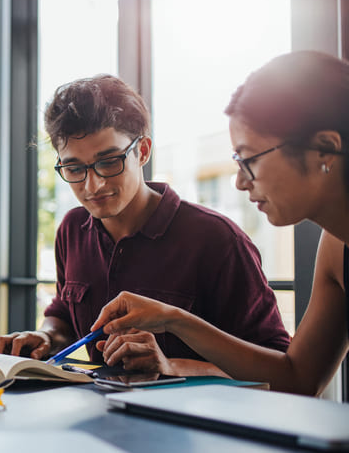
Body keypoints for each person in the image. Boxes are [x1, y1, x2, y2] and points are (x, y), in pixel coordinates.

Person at [0, 74, 290, 377]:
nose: (93, 185)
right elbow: (63, 315)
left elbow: (277, 368)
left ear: (143, 151)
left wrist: (172, 366)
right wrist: (46, 337)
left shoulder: (217, 239)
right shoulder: (72, 229)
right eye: (74, 168)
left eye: (109, 162)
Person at [92, 51, 349, 396]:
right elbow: (298, 379)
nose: (241, 182)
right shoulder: (335, 247)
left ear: (324, 148)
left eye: (250, 160)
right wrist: (173, 318)